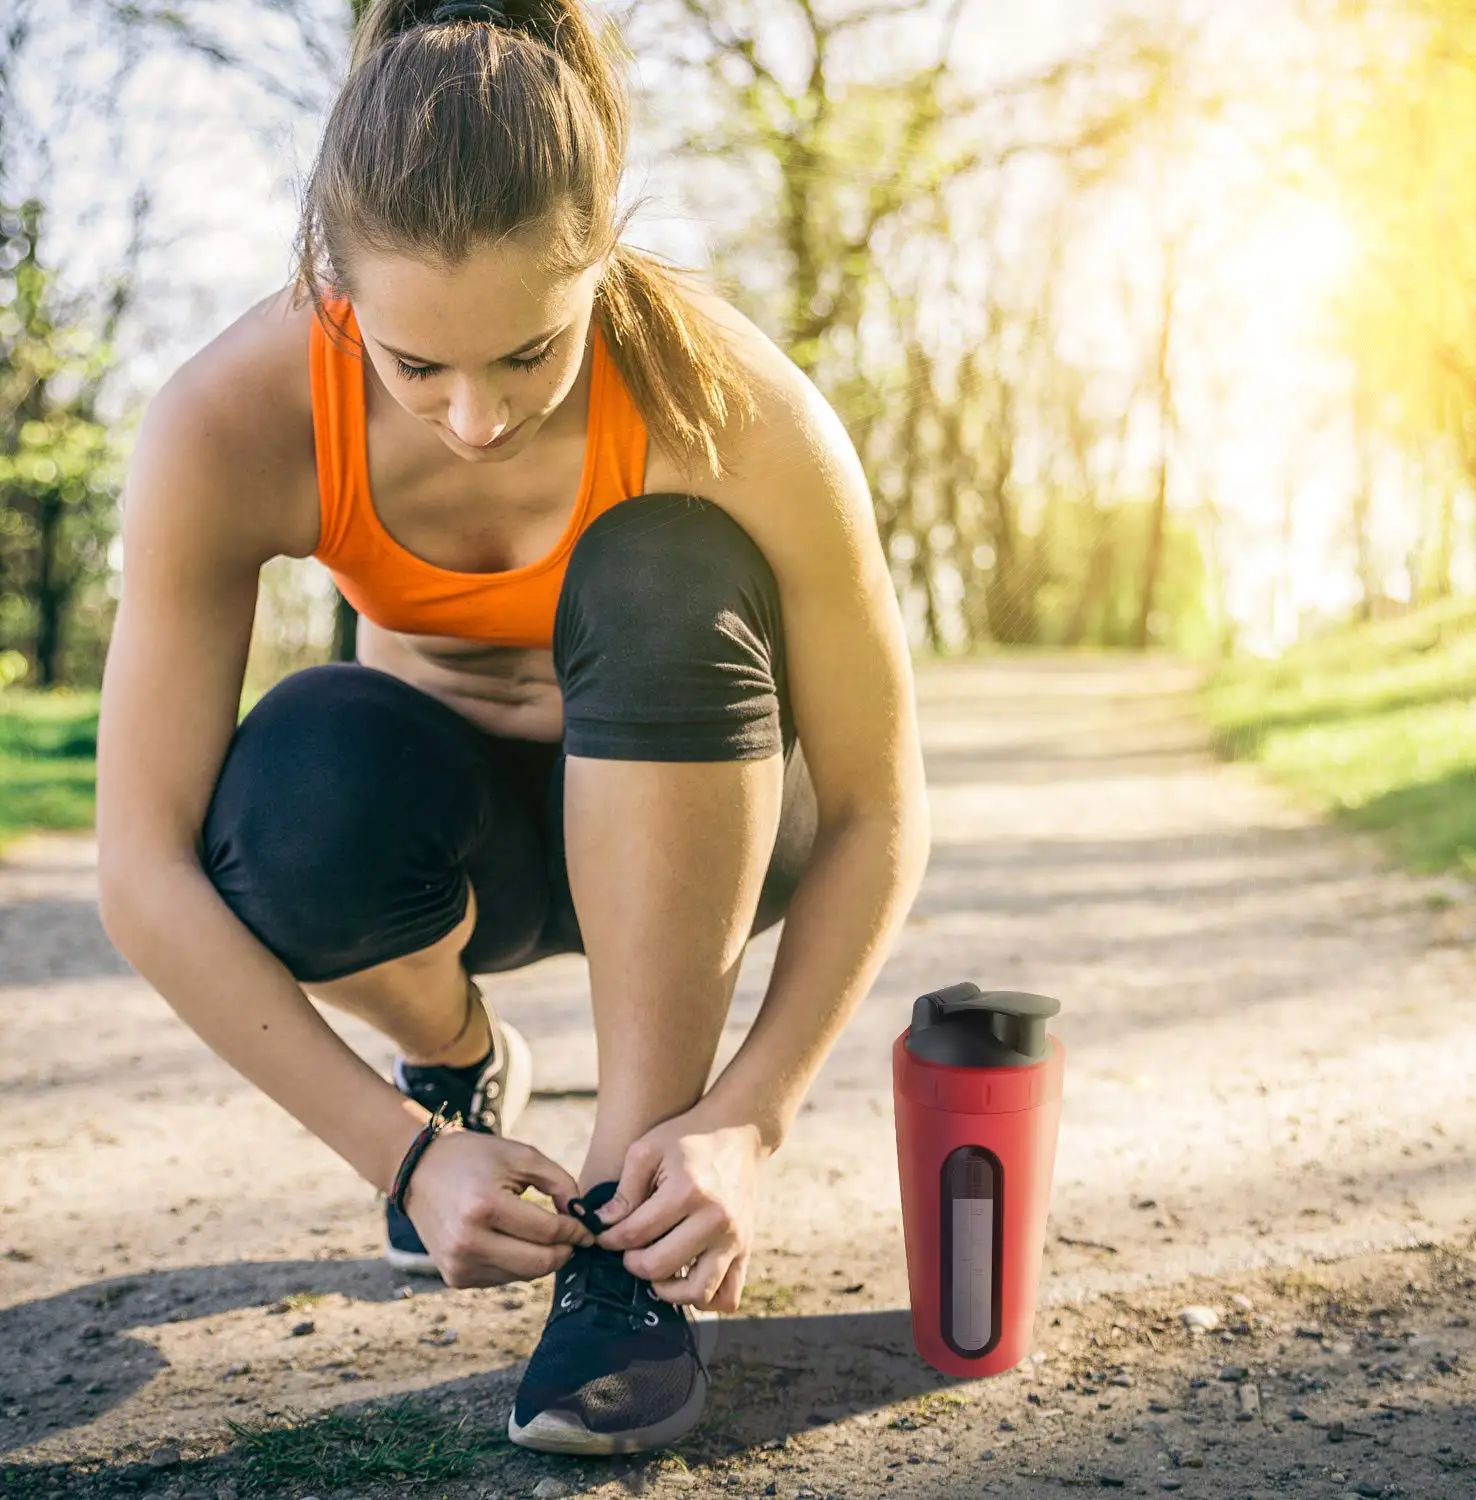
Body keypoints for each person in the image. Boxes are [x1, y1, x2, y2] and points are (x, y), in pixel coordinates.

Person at [94, 0, 930, 1460]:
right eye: (416, 367)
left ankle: (623, 1245)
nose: (474, 418)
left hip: (719, 821)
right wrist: (406, 1156)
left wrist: (751, 1115)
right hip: (459, 852)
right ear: (330, 278)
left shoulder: (740, 410)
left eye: (529, 353)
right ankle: (463, 1058)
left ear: (605, 249)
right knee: (299, 779)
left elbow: (877, 807)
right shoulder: (228, 422)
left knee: (664, 564)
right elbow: (141, 868)